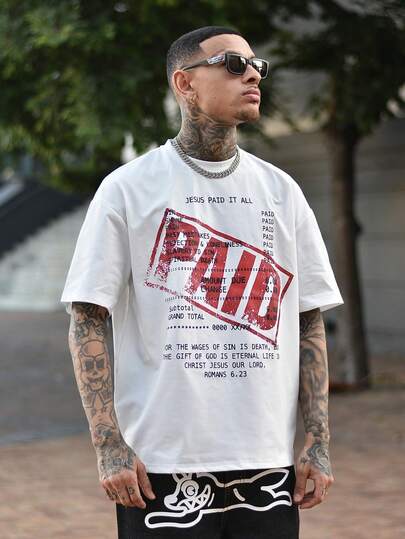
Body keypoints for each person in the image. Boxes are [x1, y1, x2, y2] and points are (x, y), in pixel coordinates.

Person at [61, 25, 343, 539]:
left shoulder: (282, 191)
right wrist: (108, 445)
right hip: (160, 462)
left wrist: (318, 442)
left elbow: (308, 320)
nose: (253, 74)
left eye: (257, 65)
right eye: (233, 64)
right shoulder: (127, 188)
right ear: (184, 83)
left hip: (266, 459)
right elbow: (87, 318)